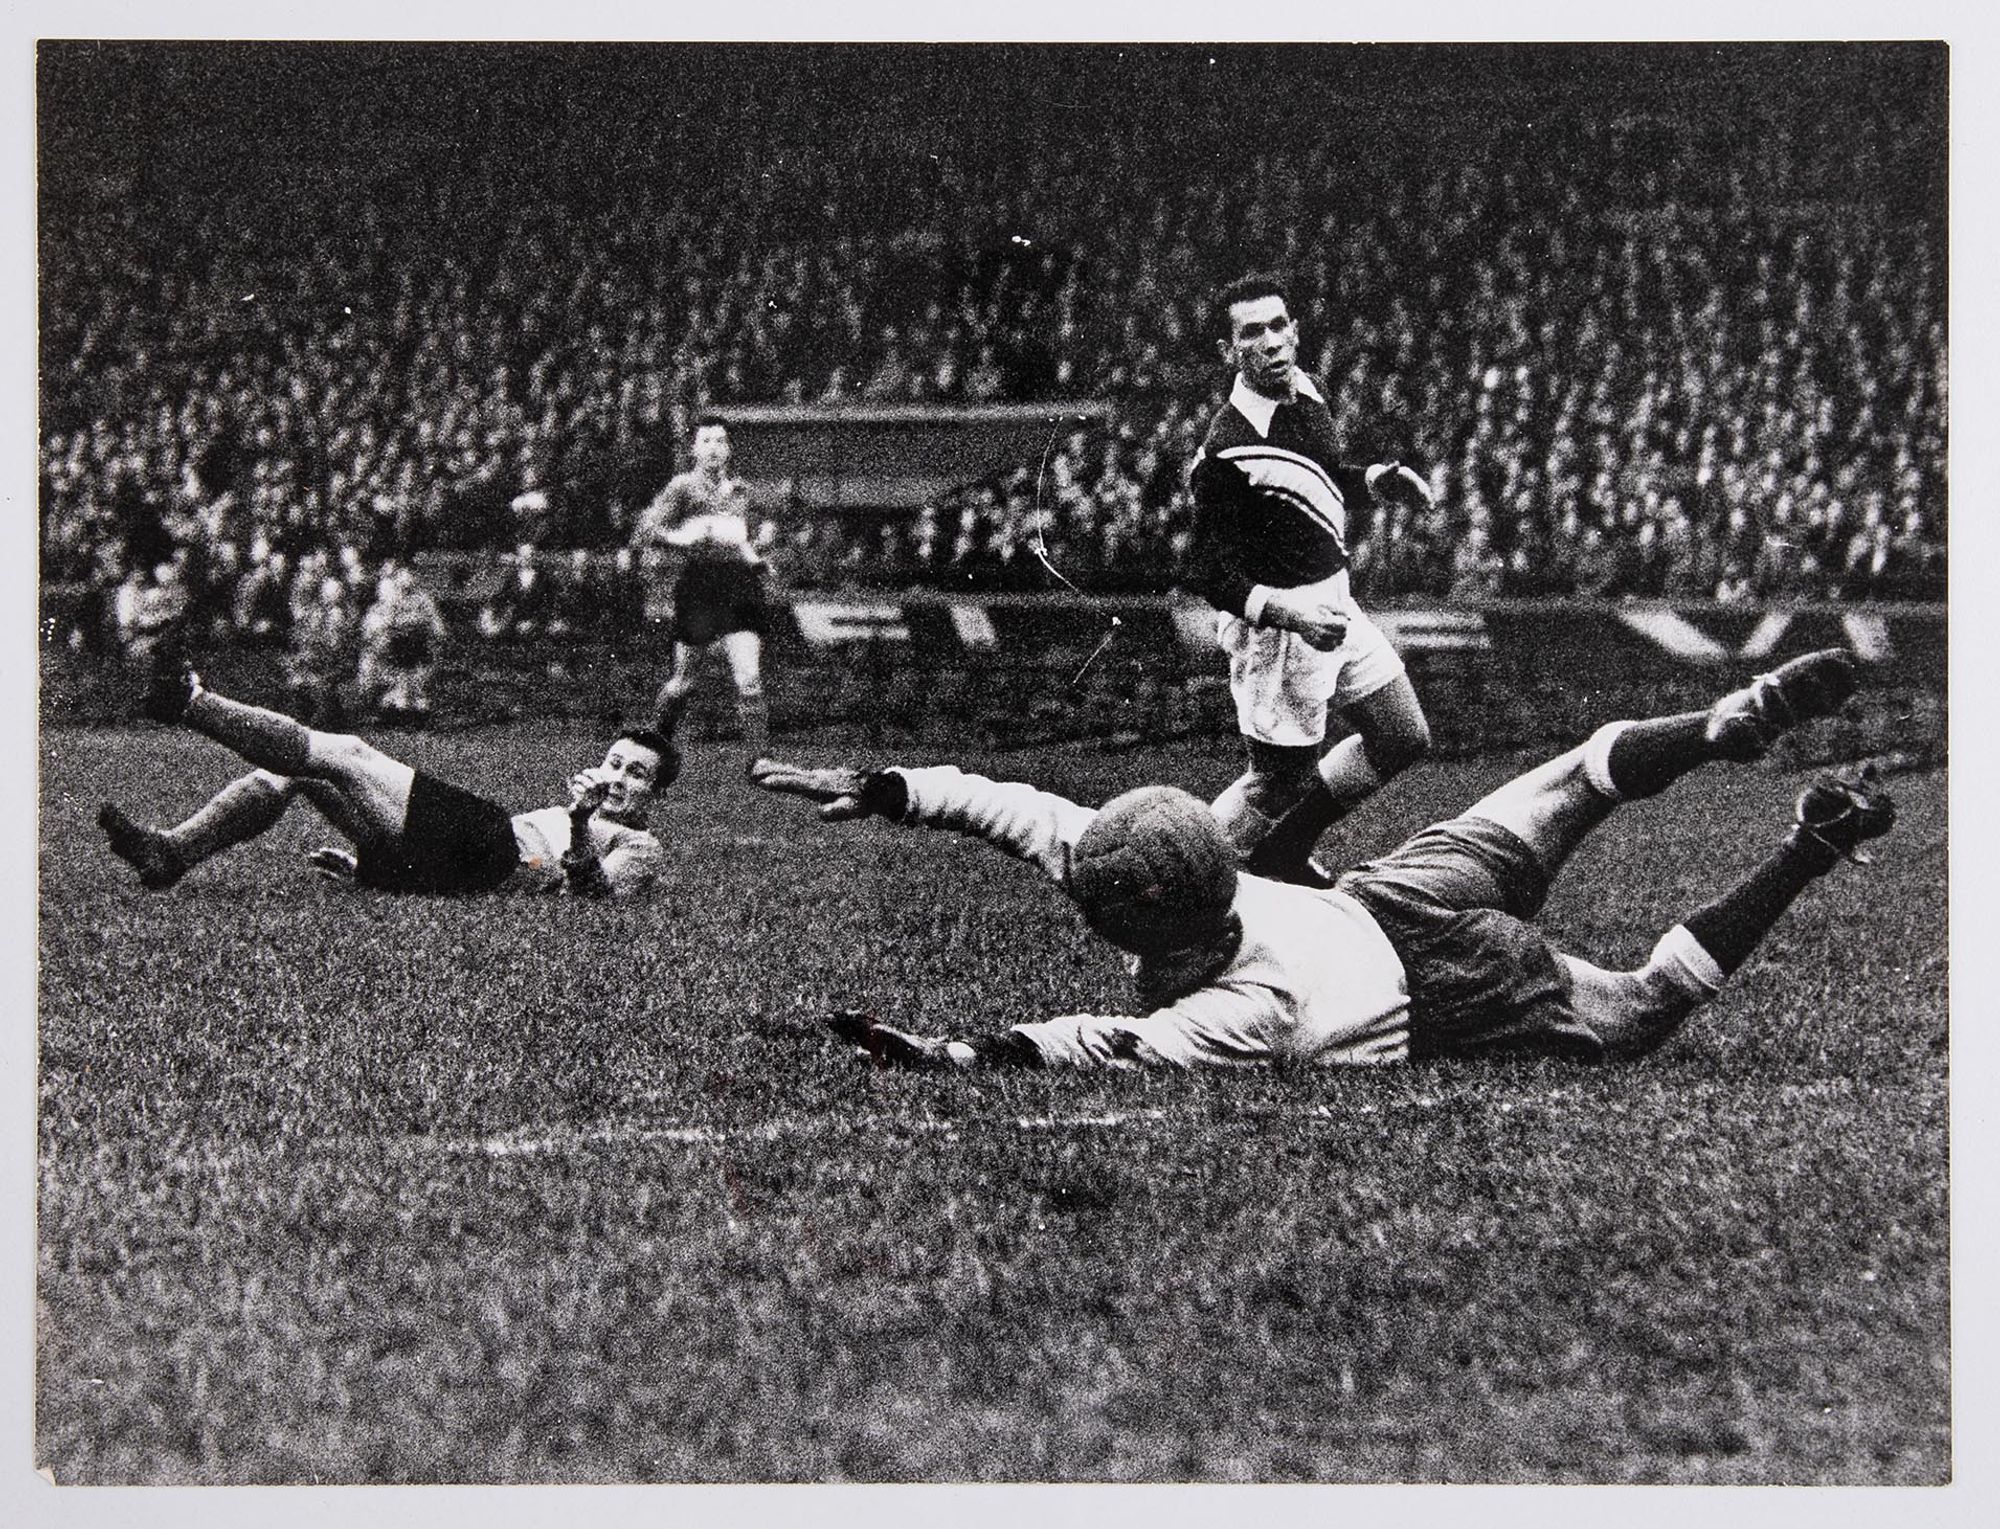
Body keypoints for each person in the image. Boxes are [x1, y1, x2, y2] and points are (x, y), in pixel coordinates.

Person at [751, 649, 1886, 1071]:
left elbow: (1105, 1039)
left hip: (1438, 983)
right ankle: (1718, 720)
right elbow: (1023, 812)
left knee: (1636, 1008)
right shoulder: (1182, 860)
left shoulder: (1241, 1002)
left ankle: (1806, 847)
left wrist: (955, 1052)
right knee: (1572, 779)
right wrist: (891, 786)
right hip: (1388, 889)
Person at [1186, 272, 1436, 886]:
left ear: (1295, 330)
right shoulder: (1226, 451)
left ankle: (1285, 852)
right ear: (1230, 351)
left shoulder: (1307, 393)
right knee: (1277, 780)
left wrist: (1376, 479)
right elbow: (1205, 570)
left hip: (1333, 602)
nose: (1271, 342)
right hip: (1280, 629)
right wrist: (1291, 617)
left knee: (1403, 736)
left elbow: (1319, 481)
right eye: (1252, 332)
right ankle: (1180, 885)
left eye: (1278, 325)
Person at [97, 665, 676, 899]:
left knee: (346, 752)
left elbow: (596, 897)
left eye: (637, 773)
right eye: (616, 762)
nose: (619, 777)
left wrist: (577, 821)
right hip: (463, 859)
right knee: (295, 769)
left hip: (495, 851)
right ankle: (172, 851)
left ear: (656, 794)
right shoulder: (582, 809)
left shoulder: (640, 845)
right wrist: (373, 870)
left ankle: (192, 701)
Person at [633, 416, 773, 751]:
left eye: (721, 441)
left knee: (749, 680)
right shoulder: (682, 487)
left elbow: (755, 532)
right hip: (699, 585)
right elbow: (647, 531)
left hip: (740, 585)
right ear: (694, 449)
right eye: (707, 441)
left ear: (729, 449)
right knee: (685, 682)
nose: (714, 448)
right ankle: (656, 745)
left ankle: (761, 761)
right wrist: (684, 540)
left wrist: (761, 545)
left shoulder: (743, 491)